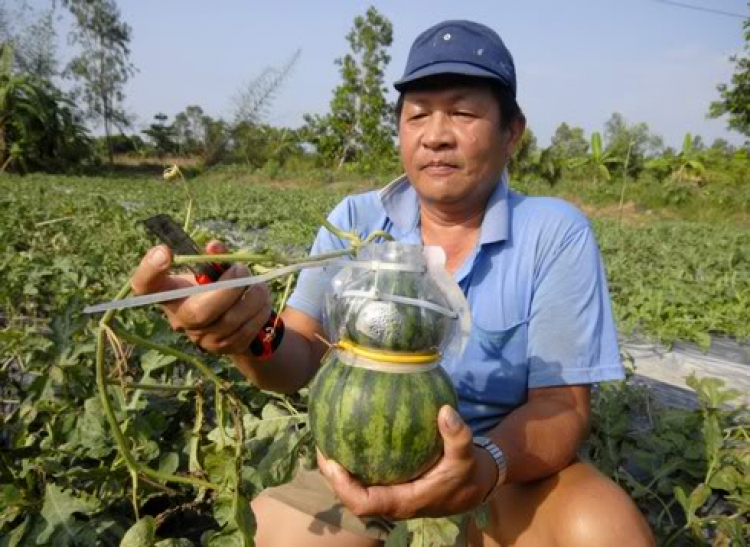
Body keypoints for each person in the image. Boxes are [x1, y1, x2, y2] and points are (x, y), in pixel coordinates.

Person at [132, 19, 654, 547]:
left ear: (511, 132)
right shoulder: (355, 221)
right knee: (276, 534)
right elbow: (296, 356)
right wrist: (250, 333)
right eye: (418, 115)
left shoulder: (553, 233)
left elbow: (561, 407)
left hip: (505, 471)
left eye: (464, 112)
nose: (436, 134)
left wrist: (482, 466)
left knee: (605, 531)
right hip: (362, 473)